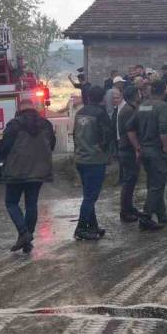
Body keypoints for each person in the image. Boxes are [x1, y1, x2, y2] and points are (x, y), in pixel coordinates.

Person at [0, 100, 56, 254]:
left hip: (15, 171)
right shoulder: (46, 125)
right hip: (38, 171)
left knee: (11, 202)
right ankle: (27, 240)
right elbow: (52, 145)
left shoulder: (14, 125)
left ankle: (24, 233)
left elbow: (4, 148)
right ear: (34, 108)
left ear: (19, 110)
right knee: (31, 204)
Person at [132, 78, 167, 231]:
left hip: (144, 150)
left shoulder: (142, 106)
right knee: (157, 185)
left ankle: (161, 214)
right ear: (164, 91)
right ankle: (146, 216)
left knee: (153, 183)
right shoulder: (162, 106)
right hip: (157, 150)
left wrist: (137, 147)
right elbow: (164, 130)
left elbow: (130, 128)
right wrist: (166, 148)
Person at [72, 84, 114, 241]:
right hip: (95, 159)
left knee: (88, 194)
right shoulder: (101, 114)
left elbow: (75, 134)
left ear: (88, 97)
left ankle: (93, 225)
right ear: (103, 98)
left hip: (80, 158)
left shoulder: (80, 112)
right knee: (91, 196)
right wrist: (105, 151)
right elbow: (107, 136)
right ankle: (81, 228)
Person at [116, 85, 144, 222]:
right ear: (134, 95)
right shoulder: (128, 111)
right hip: (128, 149)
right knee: (129, 180)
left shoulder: (129, 109)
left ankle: (129, 207)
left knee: (132, 180)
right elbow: (130, 131)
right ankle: (125, 211)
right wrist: (137, 148)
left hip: (128, 149)